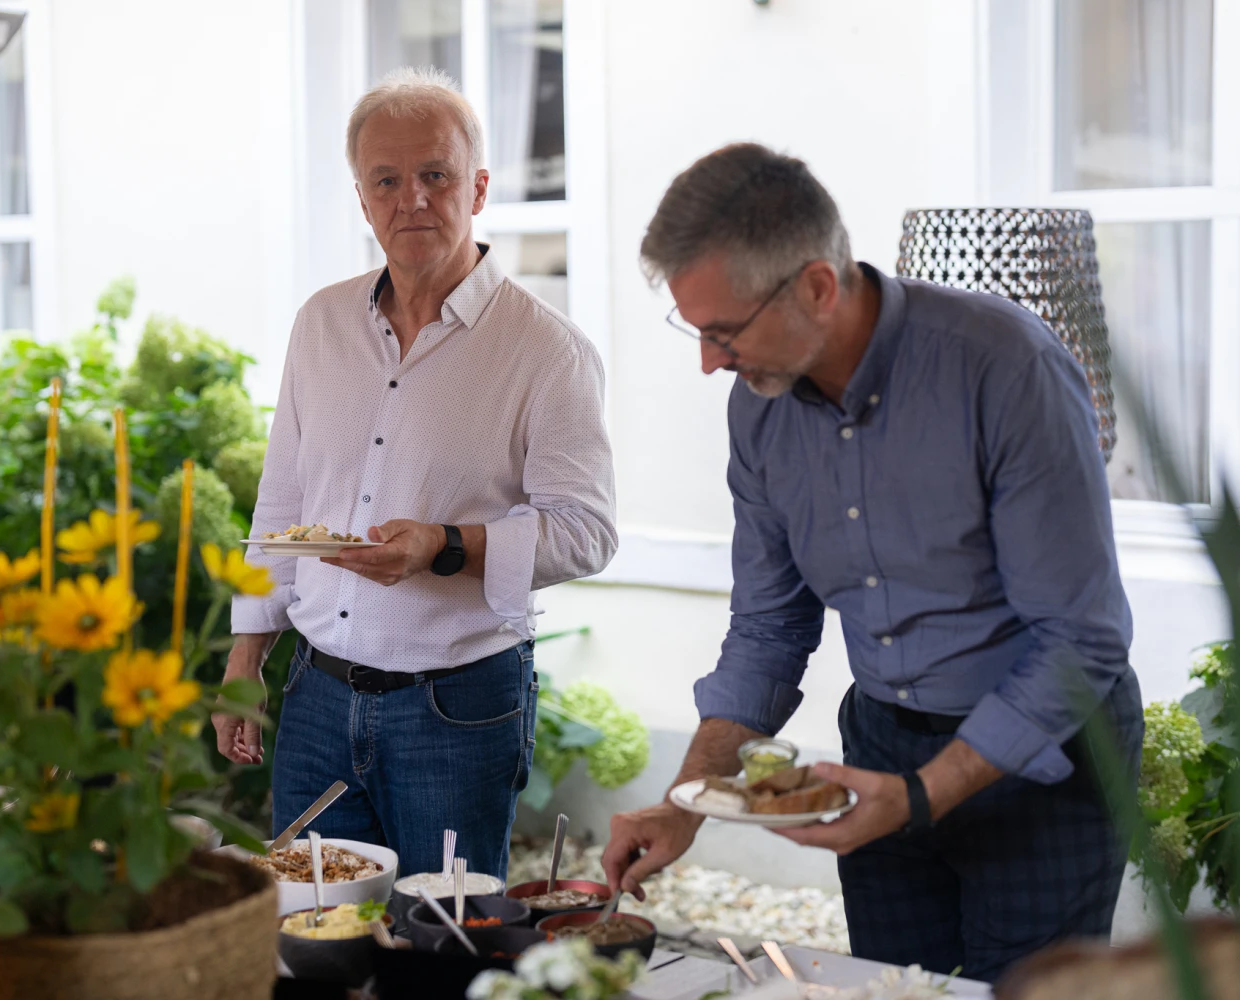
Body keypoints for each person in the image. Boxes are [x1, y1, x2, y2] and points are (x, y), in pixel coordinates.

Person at [601, 143, 1141, 984]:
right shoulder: (760, 411)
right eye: (695, 330)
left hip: (1048, 764)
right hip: (881, 750)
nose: (709, 362)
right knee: (892, 988)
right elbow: (770, 628)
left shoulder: (1005, 368)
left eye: (723, 331)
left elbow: (1080, 638)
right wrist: (687, 805)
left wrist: (926, 793)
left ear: (817, 286)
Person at [215, 67, 616, 881]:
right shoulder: (320, 323)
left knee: (445, 940)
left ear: (478, 186)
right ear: (363, 200)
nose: (414, 200)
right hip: (316, 697)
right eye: (387, 181)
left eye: (435, 176)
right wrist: (243, 660)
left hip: (458, 707)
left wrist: (443, 545)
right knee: (310, 930)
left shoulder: (548, 350)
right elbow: (285, 497)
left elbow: (588, 532)